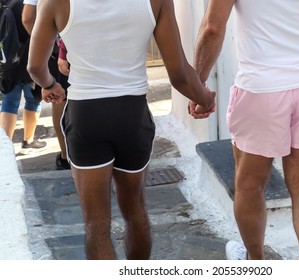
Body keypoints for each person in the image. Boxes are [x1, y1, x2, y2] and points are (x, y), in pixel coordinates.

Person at [27, 0, 215, 259]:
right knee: (136, 210)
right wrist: (204, 98)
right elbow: (179, 73)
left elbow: (35, 66)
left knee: (96, 223)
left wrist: (49, 85)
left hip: (85, 115)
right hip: (132, 114)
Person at [190, 0, 299, 260]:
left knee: (249, 184)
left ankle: (255, 262)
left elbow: (212, 28)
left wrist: (198, 86)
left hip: (260, 87)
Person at [22, 0, 70, 169]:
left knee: (59, 99)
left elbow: (27, 17)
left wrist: (44, 41)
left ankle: (66, 155)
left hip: (58, 49)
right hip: (89, 47)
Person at [0, 0, 46, 154]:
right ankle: (28, 140)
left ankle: (5, 149)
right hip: (31, 54)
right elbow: (28, 19)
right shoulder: (34, 3)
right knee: (33, 99)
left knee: (9, 102)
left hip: (9, 58)